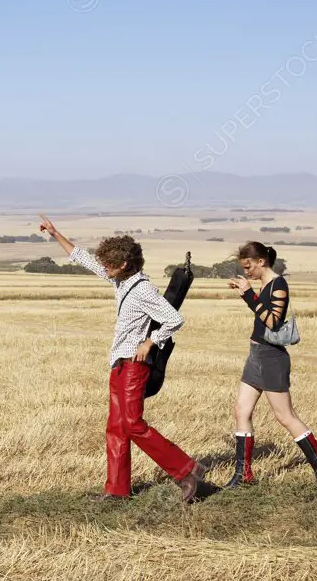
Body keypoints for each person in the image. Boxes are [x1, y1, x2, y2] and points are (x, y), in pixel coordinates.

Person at [38, 215, 207, 503]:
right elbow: (84, 259)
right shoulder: (121, 281)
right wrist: (56, 234)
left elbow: (174, 319)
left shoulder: (142, 289)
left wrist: (151, 342)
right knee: (116, 427)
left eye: (109, 263)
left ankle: (188, 471)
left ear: (124, 264)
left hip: (133, 366)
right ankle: (116, 490)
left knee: (132, 424)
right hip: (118, 363)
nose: (103, 267)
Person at [226, 241, 317, 488]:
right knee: (241, 411)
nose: (246, 272)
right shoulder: (265, 284)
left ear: (261, 262)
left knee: (285, 416)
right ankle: (243, 475)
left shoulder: (279, 285)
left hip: (271, 357)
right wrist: (248, 293)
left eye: (248, 266)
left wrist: (247, 295)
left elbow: (272, 321)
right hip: (256, 354)